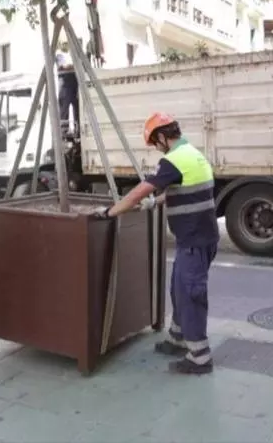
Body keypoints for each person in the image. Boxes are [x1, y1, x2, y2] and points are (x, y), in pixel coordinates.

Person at [94, 112, 218, 375]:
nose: (155, 148)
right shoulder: (194, 155)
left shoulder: (173, 161)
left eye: (154, 143)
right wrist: (155, 203)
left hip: (194, 242)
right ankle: (177, 338)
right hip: (200, 240)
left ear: (162, 137)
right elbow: (181, 190)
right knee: (178, 290)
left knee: (191, 296)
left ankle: (200, 358)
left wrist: (110, 213)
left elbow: (141, 189)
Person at [56, 41, 80, 135]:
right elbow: (62, 67)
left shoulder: (72, 54)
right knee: (64, 111)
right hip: (65, 85)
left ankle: (78, 131)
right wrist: (73, 66)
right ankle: (64, 132)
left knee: (77, 110)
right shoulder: (59, 54)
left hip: (74, 84)